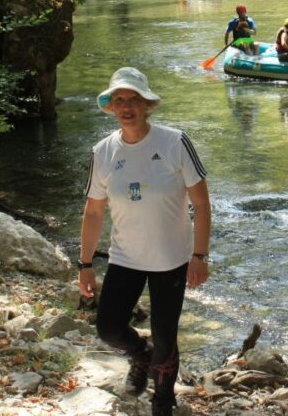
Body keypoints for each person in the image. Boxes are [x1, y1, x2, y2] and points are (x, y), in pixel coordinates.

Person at [79, 67, 211, 416]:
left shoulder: (174, 142)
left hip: (171, 258)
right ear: (110, 107)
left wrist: (199, 255)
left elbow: (200, 201)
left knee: (166, 335)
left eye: (134, 99)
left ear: (147, 105)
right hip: (126, 257)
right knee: (108, 328)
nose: (126, 106)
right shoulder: (103, 152)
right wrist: (85, 264)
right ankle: (140, 356)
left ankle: (163, 402)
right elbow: (93, 212)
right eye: (119, 100)